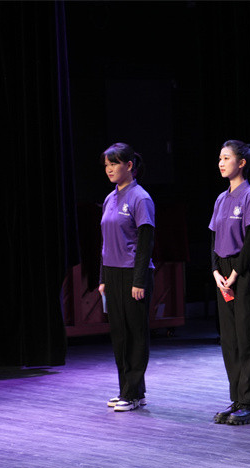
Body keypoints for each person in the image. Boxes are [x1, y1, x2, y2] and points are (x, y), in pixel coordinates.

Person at [210, 140, 250, 426]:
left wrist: (234, 274)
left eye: (226, 158)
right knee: (230, 340)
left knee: (247, 338)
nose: (221, 163)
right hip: (223, 272)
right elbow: (213, 237)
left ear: (241, 163)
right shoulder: (222, 198)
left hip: (243, 272)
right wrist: (215, 271)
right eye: (220, 158)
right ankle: (237, 398)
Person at [98, 143, 155, 412]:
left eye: (114, 164)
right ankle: (129, 390)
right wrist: (102, 278)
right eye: (106, 165)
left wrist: (139, 280)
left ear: (129, 165)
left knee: (135, 335)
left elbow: (145, 242)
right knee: (120, 335)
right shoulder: (110, 198)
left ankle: (132, 393)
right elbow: (105, 242)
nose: (109, 169)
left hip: (133, 273)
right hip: (112, 273)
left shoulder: (140, 198)